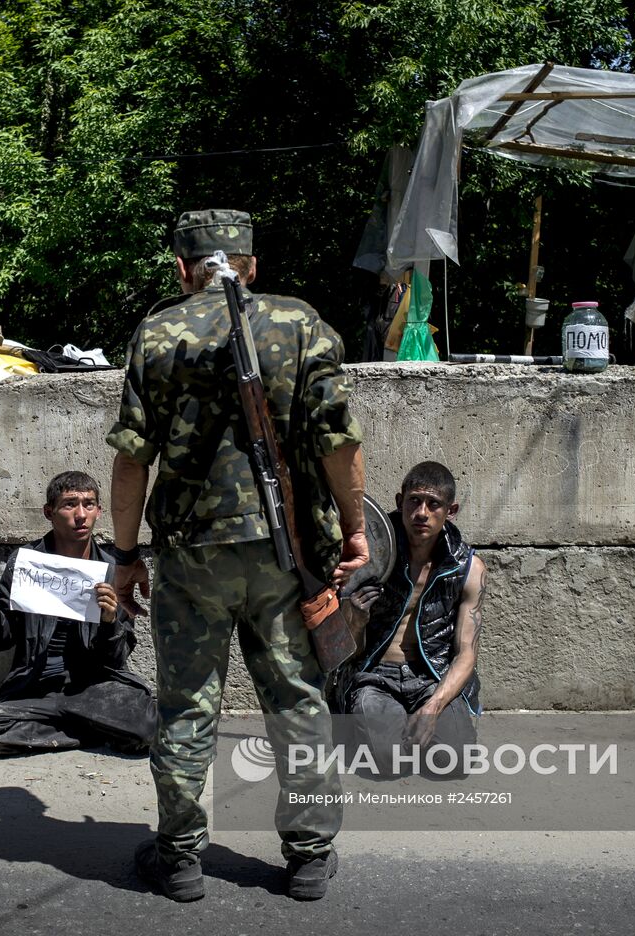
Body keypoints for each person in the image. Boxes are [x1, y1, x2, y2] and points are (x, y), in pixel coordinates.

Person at [107, 209, 368, 902]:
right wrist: (354, 529)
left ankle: (182, 856)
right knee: (296, 699)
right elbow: (339, 442)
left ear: (182, 268)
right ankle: (310, 856)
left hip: (192, 556)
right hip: (287, 554)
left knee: (187, 706)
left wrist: (125, 553)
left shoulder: (158, 334)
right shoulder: (301, 323)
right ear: (251, 265)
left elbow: (133, 463)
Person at [0, 471, 157, 756]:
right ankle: (92, 731)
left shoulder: (112, 570)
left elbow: (116, 659)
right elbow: (2, 641)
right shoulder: (26, 565)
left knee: (147, 725)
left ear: (99, 511)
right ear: (49, 512)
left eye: (89, 505)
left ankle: (69, 724)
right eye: (69, 505)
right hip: (36, 688)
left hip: (94, 688)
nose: (81, 515)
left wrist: (109, 620)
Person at [339, 461, 484, 778]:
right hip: (374, 676)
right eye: (414, 501)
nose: (422, 513)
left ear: (451, 510)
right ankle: (379, 726)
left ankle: (409, 722)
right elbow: (345, 647)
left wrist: (434, 707)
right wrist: (355, 618)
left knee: (456, 761)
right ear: (398, 502)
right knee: (387, 763)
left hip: (432, 676)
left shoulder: (467, 567)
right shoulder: (370, 554)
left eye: (434, 504)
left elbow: (466, 653)